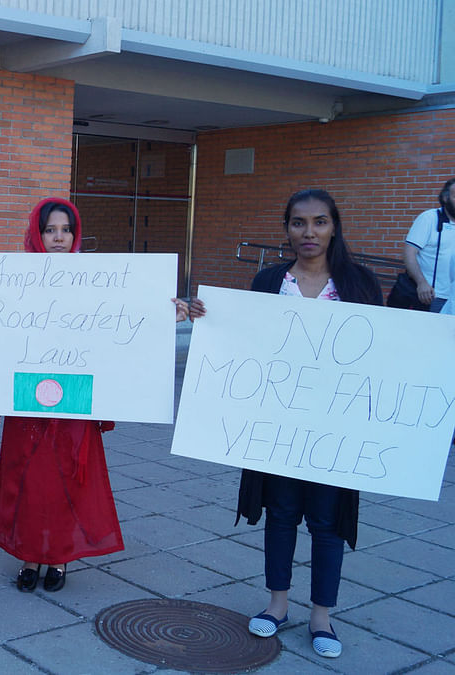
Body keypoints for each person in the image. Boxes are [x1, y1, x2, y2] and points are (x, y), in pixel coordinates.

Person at [0, 197, 187, 593]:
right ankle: (29, 555)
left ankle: (61, 558)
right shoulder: (11, 277)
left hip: (74, 404)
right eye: (50, 230)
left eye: (65, 230)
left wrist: (162, 315)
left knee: (68, 481)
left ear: (76, 235)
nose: (58, 237)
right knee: (28, 481)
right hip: (28, 404)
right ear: (37, 233)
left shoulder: (95, 278)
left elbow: (120, 323)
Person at [187, 189, 382, 659]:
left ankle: (321, 615)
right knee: (280, 513)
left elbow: (385, 350)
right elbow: (245, 338)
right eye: (298, 223)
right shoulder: (271, 280)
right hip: (277, 424)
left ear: (334, 226)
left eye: (319, 222)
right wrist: (205, 317)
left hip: (335, 425)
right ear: (287, 229)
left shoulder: (359, 284)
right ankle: (277, 605)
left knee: (327, 521)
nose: (308, 232)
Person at [402, 178, 455, 311]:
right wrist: (421, 283)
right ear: (445, 198)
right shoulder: (429, 218)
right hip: (433, 297)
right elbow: (409, 253)